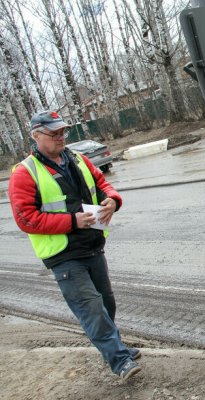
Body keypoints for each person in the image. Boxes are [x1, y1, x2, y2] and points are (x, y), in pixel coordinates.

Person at [8, 110, 142, 380]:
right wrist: (72, 221)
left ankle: (115, 346)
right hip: (64, 255)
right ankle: (119, 360)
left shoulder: (77, 158)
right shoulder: (24, 173)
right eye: (54, 133)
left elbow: (103, 185)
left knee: (106, 304)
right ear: (36, 136)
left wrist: (114, 201)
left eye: (63, 132)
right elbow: (26, 219)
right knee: (91, 308)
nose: (61, 137)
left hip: (92, 245)